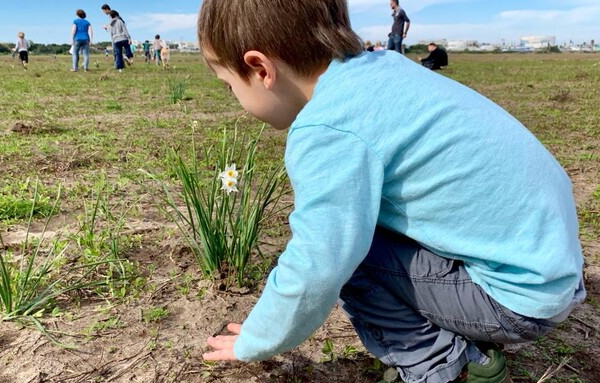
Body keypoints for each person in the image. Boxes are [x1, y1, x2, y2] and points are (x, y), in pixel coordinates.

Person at [197, 1, 586, 383]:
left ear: (261, 68)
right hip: (552, 266)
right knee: (364, 225)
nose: (234, 96)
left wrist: (256, 338)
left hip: (519, 298)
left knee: (350, 252)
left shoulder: (328, 126)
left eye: (229, 86)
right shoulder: (382, 68)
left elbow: (318, 264)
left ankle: (438, 364)